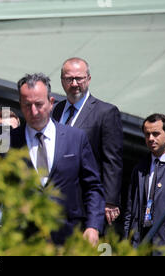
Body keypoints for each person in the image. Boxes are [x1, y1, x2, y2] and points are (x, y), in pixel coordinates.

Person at [11, 73, 105, 246]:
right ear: (20, 105)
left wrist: (93, 226)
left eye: (39, 104)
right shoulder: (9, 141)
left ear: (51, 102)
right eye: (27, 105)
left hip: (68, 237)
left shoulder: (75, 138)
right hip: (23, 239)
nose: (34, 111)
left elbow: (92, 186)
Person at [52, 57, 123, 226]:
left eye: (79, 78)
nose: (75, 83)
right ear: (62, 81)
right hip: (53, 202)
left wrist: (110, 200)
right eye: (69, 79)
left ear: (88, 79)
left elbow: (112, 160)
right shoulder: (54, 111)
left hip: (86, 203)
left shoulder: (105, 112)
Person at [124, 113, 165, 249]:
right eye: (147, 134)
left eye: (155, 134)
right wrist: (128, 241)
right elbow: (130, 211)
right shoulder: (140, 168)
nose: (151, 139)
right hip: (140, 243)